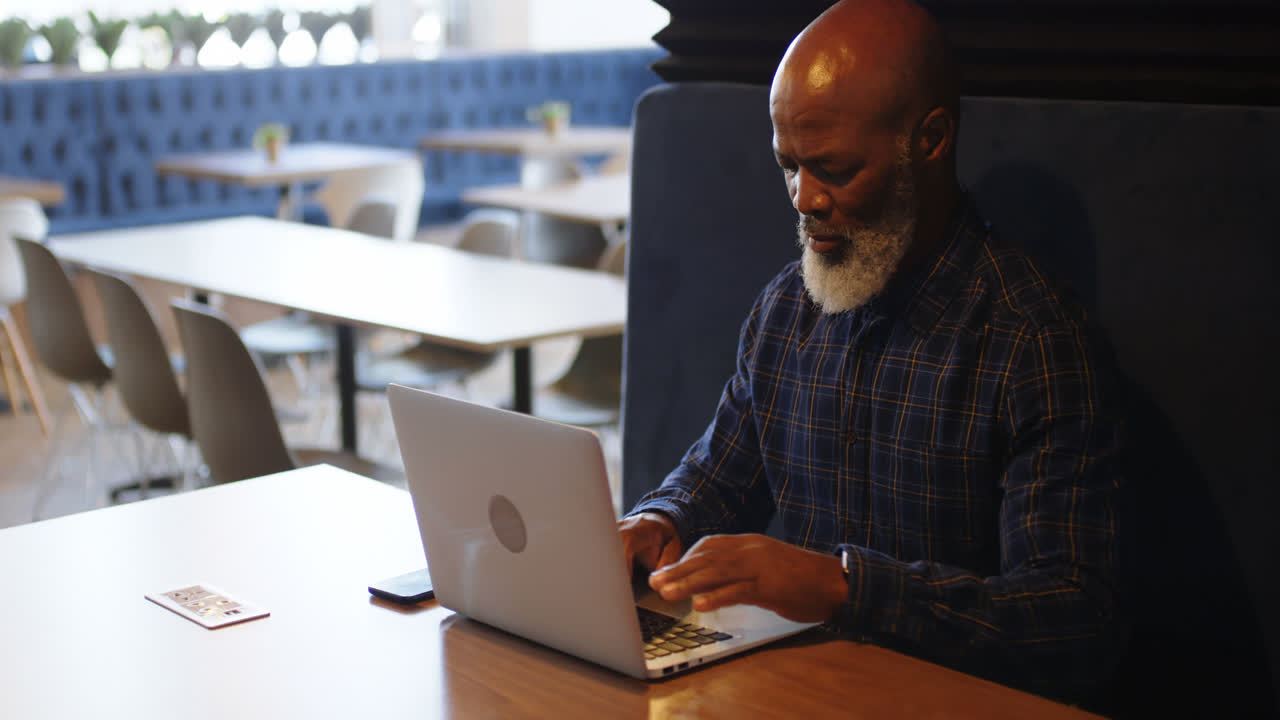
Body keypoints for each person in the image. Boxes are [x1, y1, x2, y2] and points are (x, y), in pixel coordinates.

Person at [618, 0, 1127, 703]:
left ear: (931, 139)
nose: (804, 199)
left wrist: (845, 585)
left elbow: (1072, 623)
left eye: (833, 168)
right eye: (789, 166)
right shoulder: (786, 310)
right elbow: (719, 477)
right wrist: (659, 522)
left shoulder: (1030, 339)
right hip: (806, 687)